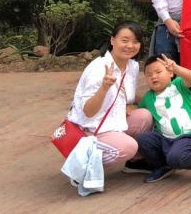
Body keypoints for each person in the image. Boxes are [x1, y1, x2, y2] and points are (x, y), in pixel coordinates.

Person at [65, 21, 152, 171]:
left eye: (135, 41)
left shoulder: (132, 66)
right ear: (112, 40)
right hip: (88, 129)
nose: (130, 46)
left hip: (111, 122)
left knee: (145, 116)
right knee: (128, 147)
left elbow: (127, 95)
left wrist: (156, 98)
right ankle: (82, 165)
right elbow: (88, 112)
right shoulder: (98, 69)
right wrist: (104, 88)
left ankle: (134, 163)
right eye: (124, 40)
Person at [135, 54, 191, 183]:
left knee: (176, 157)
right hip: (164, 138)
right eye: (149, 75)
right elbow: (137, 106)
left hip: (189, 136)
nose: (153, 76)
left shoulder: (178, 85)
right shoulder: (148, 98)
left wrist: (177, 68)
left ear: (170, 73)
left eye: (158, 72)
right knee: (142, 139)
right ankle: (163, 166)